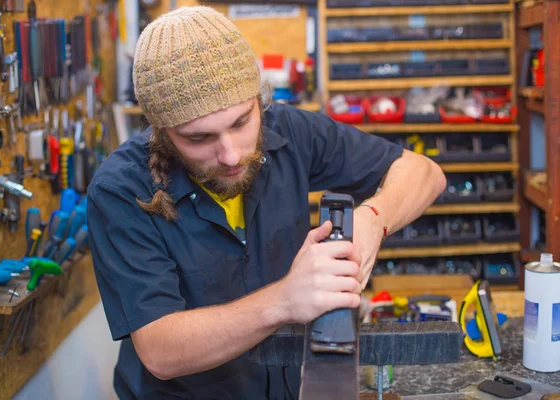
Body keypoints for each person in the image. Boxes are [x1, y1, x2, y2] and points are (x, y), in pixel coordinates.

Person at [87, 6, 446, 400]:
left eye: (241, 123)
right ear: (162, 132)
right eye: (199, 138)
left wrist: (373, 219)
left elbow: (423, 173)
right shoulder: (120, 189)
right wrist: (286, 300)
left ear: (258, 99)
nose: (230, 155)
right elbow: (161, 350)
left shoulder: (288, 129)